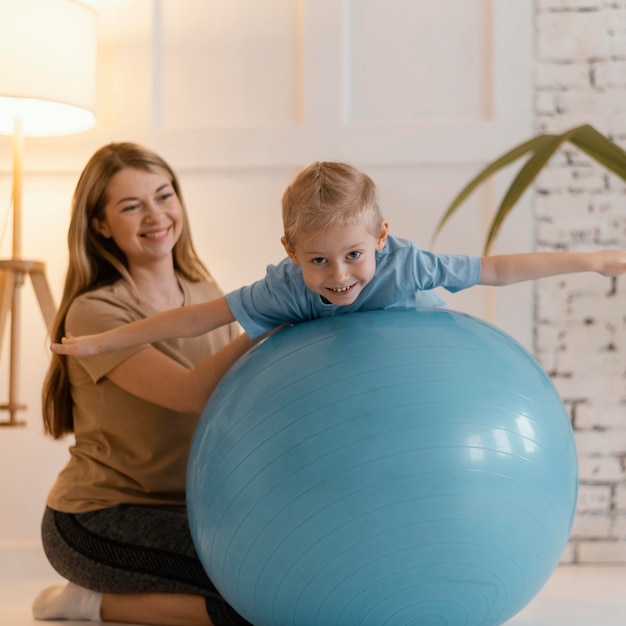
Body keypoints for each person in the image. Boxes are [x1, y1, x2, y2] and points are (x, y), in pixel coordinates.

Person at [34, 142, 276, 626]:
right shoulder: (95, 311)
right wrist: (266, 318)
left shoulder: (208, 297)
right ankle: (90, 601)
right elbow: (190, 393)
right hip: (98, 520)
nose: (156, 215)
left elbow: (237, 402)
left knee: (284, 575)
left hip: (192, 510)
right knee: (257, 600)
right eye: (131, 205)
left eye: (164, 196)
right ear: (101, 225)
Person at [50, 160, 626, 359]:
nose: (339, 275)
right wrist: (104, 340)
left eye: (353, 254)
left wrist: (593, 259)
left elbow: (497, 269)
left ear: (381, 239)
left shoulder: (408, 266)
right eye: (318, 260)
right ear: (290, 253)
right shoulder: (288, 290)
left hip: (417, 363)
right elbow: (202, 318)